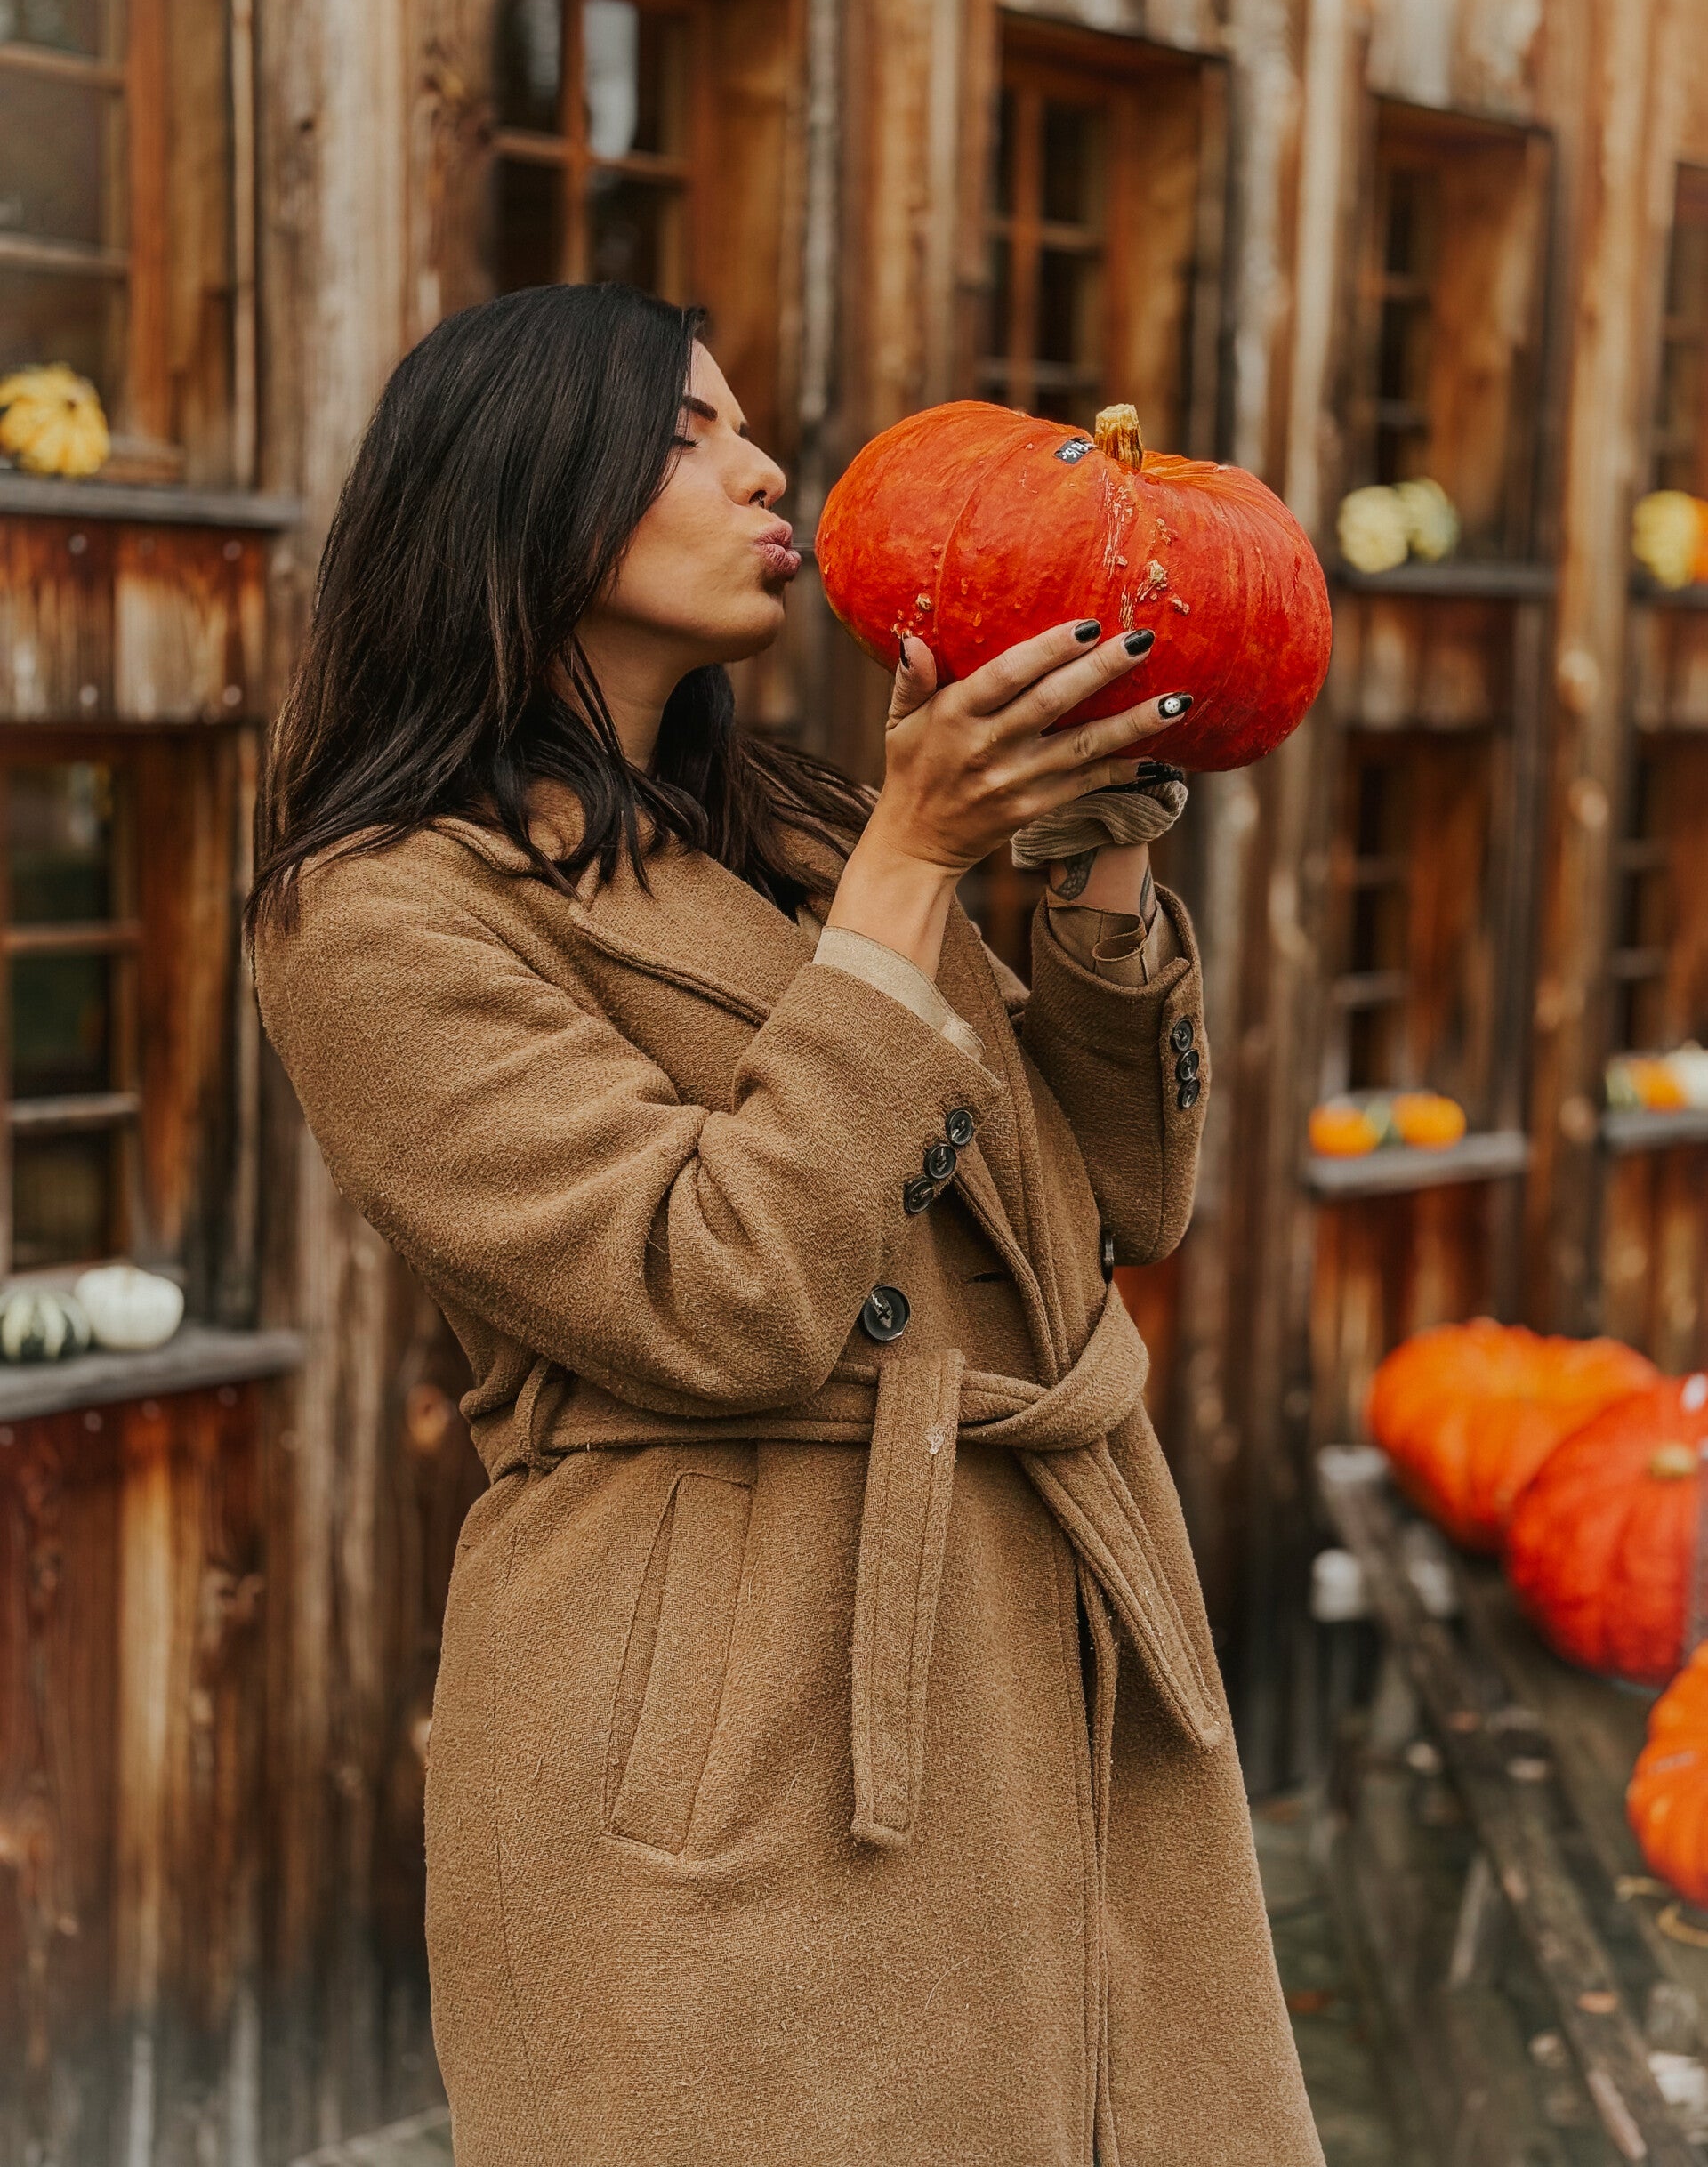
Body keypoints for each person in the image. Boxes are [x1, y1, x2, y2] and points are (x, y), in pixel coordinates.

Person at [247, 282, 1321, 2167]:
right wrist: (914, 872)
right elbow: (717, 1294)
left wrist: (1093, 861)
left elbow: (1113, 1207)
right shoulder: (380, 913)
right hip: (734, 1704)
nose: (765, 470)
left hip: (1040, 1632)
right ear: (516, 487)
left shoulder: (794, 824)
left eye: (748, 424)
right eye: (686, 433)